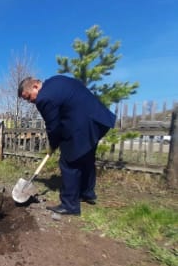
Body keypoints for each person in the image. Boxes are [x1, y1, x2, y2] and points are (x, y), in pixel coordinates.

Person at [17, 75, 116, 215]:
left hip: (82, 125)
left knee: (68, 162)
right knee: (86, 158)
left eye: (28, 97)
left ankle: (70, 205)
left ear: (35, 86)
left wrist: (53, 144)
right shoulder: (55, 80)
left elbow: (53, 127)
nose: (30, 101)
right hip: (97, 119)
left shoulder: (44, 98)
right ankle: (87, 193)